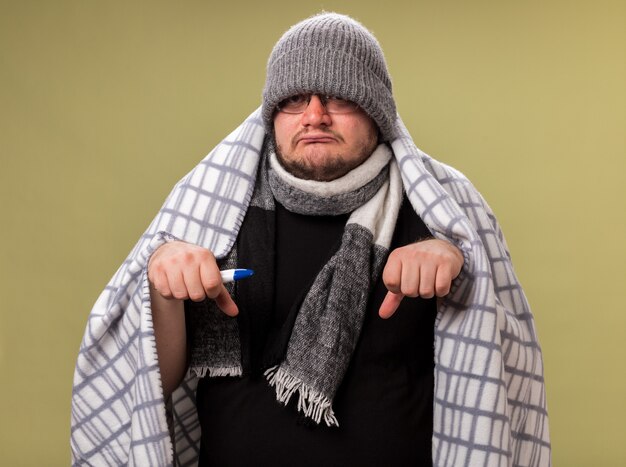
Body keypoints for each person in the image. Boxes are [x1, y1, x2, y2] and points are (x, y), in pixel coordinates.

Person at [71, 13, 550, 467]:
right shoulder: (213, 214)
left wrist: (462, 269)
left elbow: (499, 370)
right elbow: (157, 380)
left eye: (339, 97)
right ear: (272, 113)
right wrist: (161, 287)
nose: (314, 116)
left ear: (378, 113)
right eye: (294, 100)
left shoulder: (440, 211)